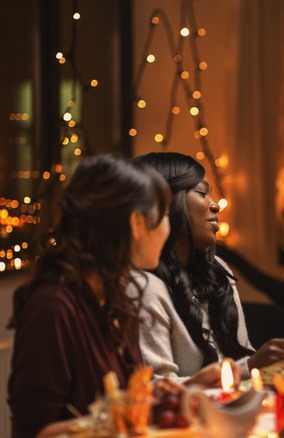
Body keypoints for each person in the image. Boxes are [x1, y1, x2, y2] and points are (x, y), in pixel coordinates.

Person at [7, 155, 172, 437]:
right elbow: (33, 431)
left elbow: (127, 398)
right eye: (165, 214)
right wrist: (114, 421)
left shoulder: (116, 298)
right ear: (136, 223)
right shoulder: (54, 309)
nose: (169, 226)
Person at [133, 152, 284, 385]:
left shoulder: (216, 269)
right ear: (166, 204)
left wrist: (256, 364)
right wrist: (248, 368)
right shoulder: (144, 287)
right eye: (201, 193)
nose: (214, 205)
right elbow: (156, 389)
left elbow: (239, 360)